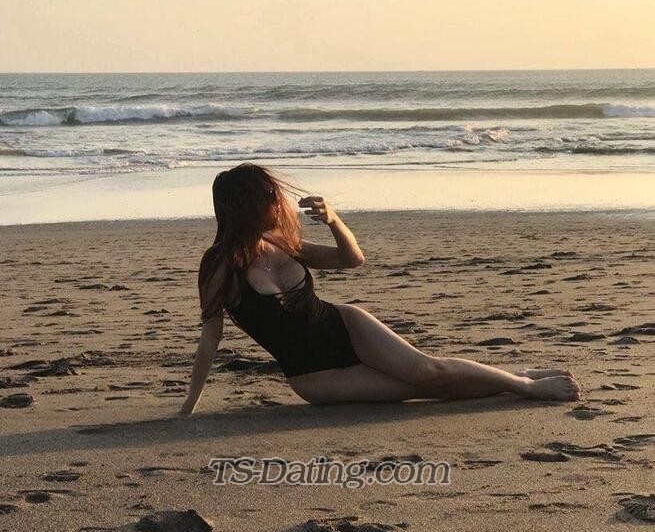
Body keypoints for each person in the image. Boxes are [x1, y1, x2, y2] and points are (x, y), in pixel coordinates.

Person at [180, 163, 580, 415]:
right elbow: (211, 337)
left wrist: (334, 221)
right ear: (245, 206)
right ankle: (510, 378)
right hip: (315, 375)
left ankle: (522, 384)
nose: (277, 200)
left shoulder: (283, 244)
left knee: (428, 371)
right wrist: (189, 405)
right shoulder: (219, 266)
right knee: (422, 391)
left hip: (346, 325)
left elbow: (351, 259)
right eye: (268, 195)